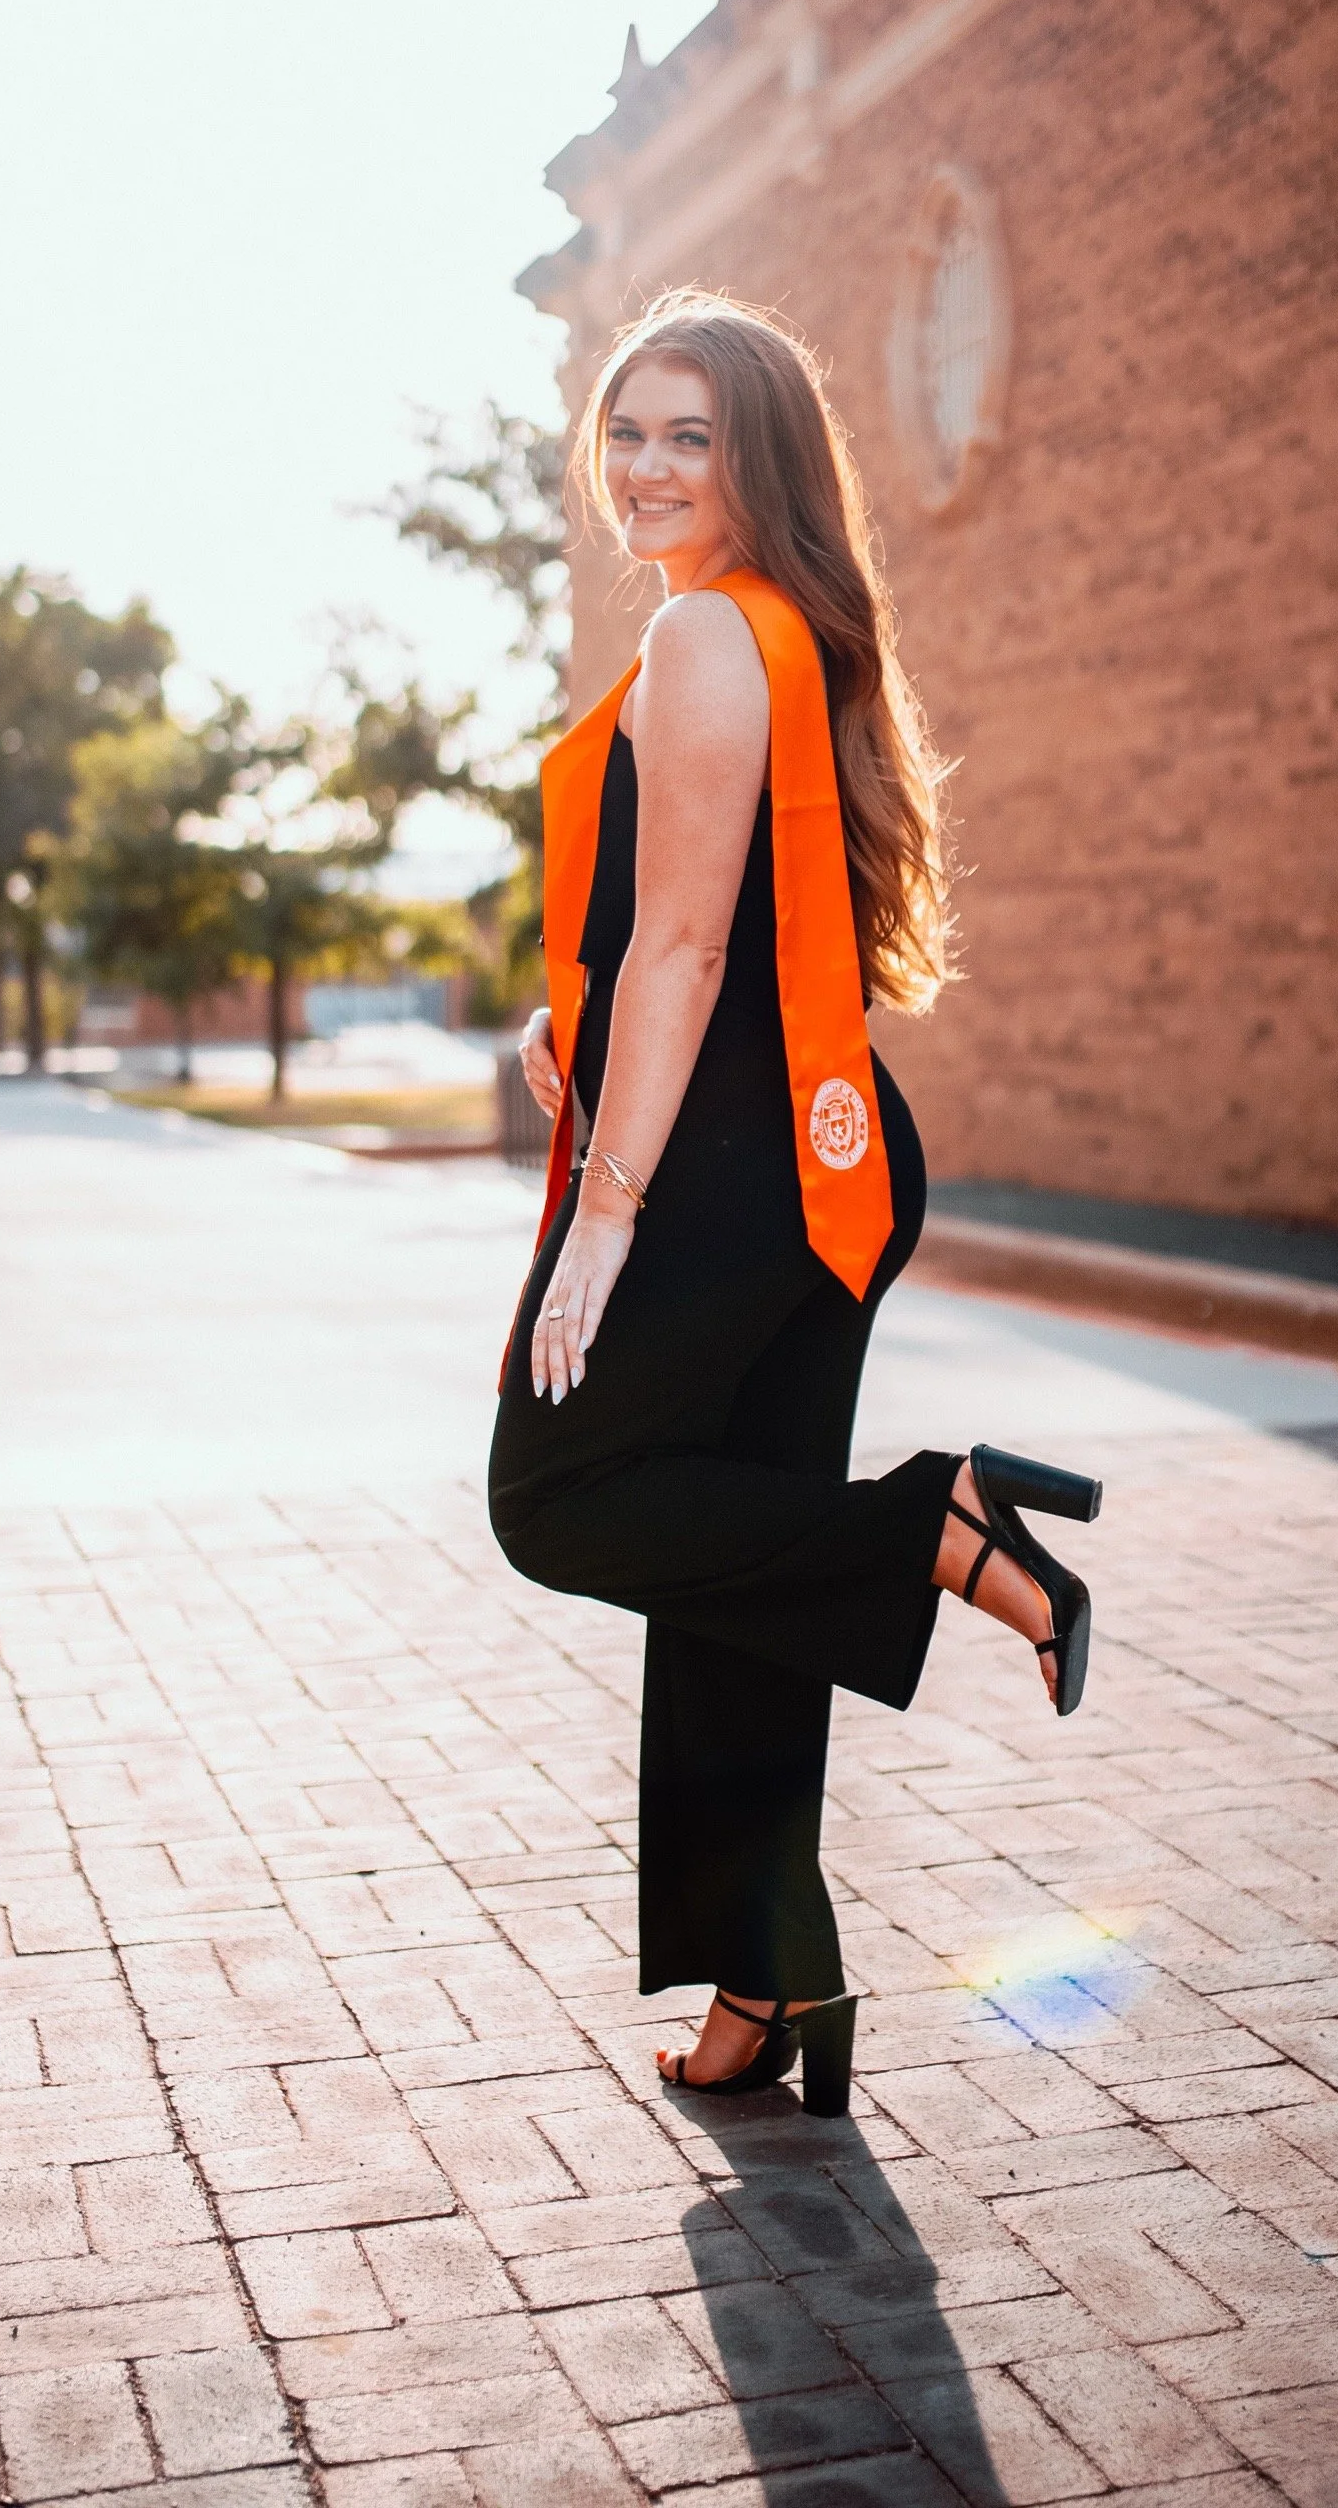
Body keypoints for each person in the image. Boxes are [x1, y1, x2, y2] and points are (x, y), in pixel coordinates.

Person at [488, 290, 1102, 2115]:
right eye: (628, 431)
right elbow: (702, 928)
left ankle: (937, 1524)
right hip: (810, 1146)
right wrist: (570, 1018)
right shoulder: (776, 631)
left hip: (731, 1169)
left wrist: (605, 1213)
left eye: (691, 433)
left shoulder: (707, 642)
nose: (649, 466)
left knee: (559, 1494)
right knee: (732, 1565)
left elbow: (684, 941)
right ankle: (773, 1983)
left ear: (756, 453)